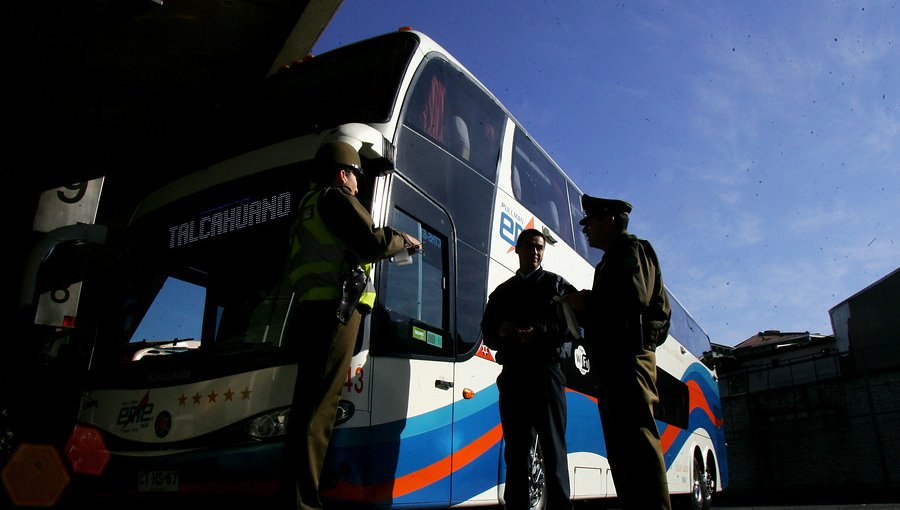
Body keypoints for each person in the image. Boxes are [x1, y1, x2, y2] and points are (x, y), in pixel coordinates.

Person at [279, 140, 420, 510]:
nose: (358, 183)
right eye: (356, 175)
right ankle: (305, 502)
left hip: (309, 311)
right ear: (344, 173)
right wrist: (405, 239)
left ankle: (297, 489)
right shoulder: (337, 199)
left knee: (305, 406)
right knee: (321, 408)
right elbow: (373, 242)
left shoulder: (305, 209)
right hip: (335, 312)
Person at [561, 195, 672, 510]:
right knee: (624, 451)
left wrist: (588, 302)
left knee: (637, 445)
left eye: (590, 223)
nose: (586, 231)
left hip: (627, 361)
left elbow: (630, 301)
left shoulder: (630, 250)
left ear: (608, 220)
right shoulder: (612, 259)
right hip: (615, 363)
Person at [480, 228, 576, 510]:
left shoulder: (558, 286)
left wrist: (540, 332)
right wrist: (502, 330)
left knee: (553, 450)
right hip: (514, 377)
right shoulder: (501, 293)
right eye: (531, 246)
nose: (536, 252)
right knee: (516, 452)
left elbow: (571, 328)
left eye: (540, 248)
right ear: (518, 249)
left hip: (548, 376)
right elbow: (488, 334)